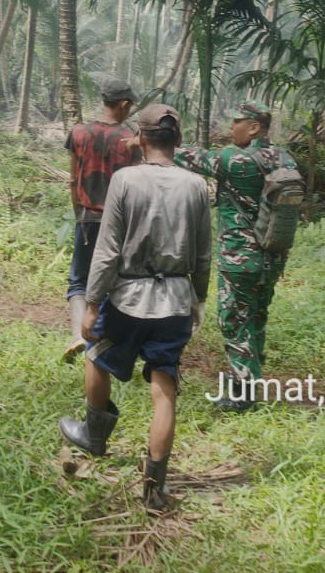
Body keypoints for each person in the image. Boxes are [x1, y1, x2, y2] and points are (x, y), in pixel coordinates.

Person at [58, 103, 211, 512]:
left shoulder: (125, 180)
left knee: (96, 353)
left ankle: (94, 435)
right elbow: (202, 252)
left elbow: (107, 249)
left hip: (128, 297)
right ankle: (155, 488)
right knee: (165, 388)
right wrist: (198, 299)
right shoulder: (196, 185)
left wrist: (92, 304)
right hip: (175, 300)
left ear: (140, 139)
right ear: (178, 140)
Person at [175, 101, 296, 411]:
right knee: (256, 318)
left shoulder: (236, 159)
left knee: (234, 322)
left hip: (240, 257)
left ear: (254, 127)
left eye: (236, 121)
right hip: (273, 256)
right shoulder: (283, 157)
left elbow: (191, 158)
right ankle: (252, 379)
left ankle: (242, 395)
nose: (231, 127)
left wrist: (151, 140)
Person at [63, 78, 140, 362]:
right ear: (123, 104)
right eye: (130, 105)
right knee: (113, 278)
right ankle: (105, 337)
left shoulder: (79, 132)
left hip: (87, 218)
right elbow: (135, 185)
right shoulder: (129, 140)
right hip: (118, 222)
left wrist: (79, 214)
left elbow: (73, 179)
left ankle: (77, 333)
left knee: (79, 280)